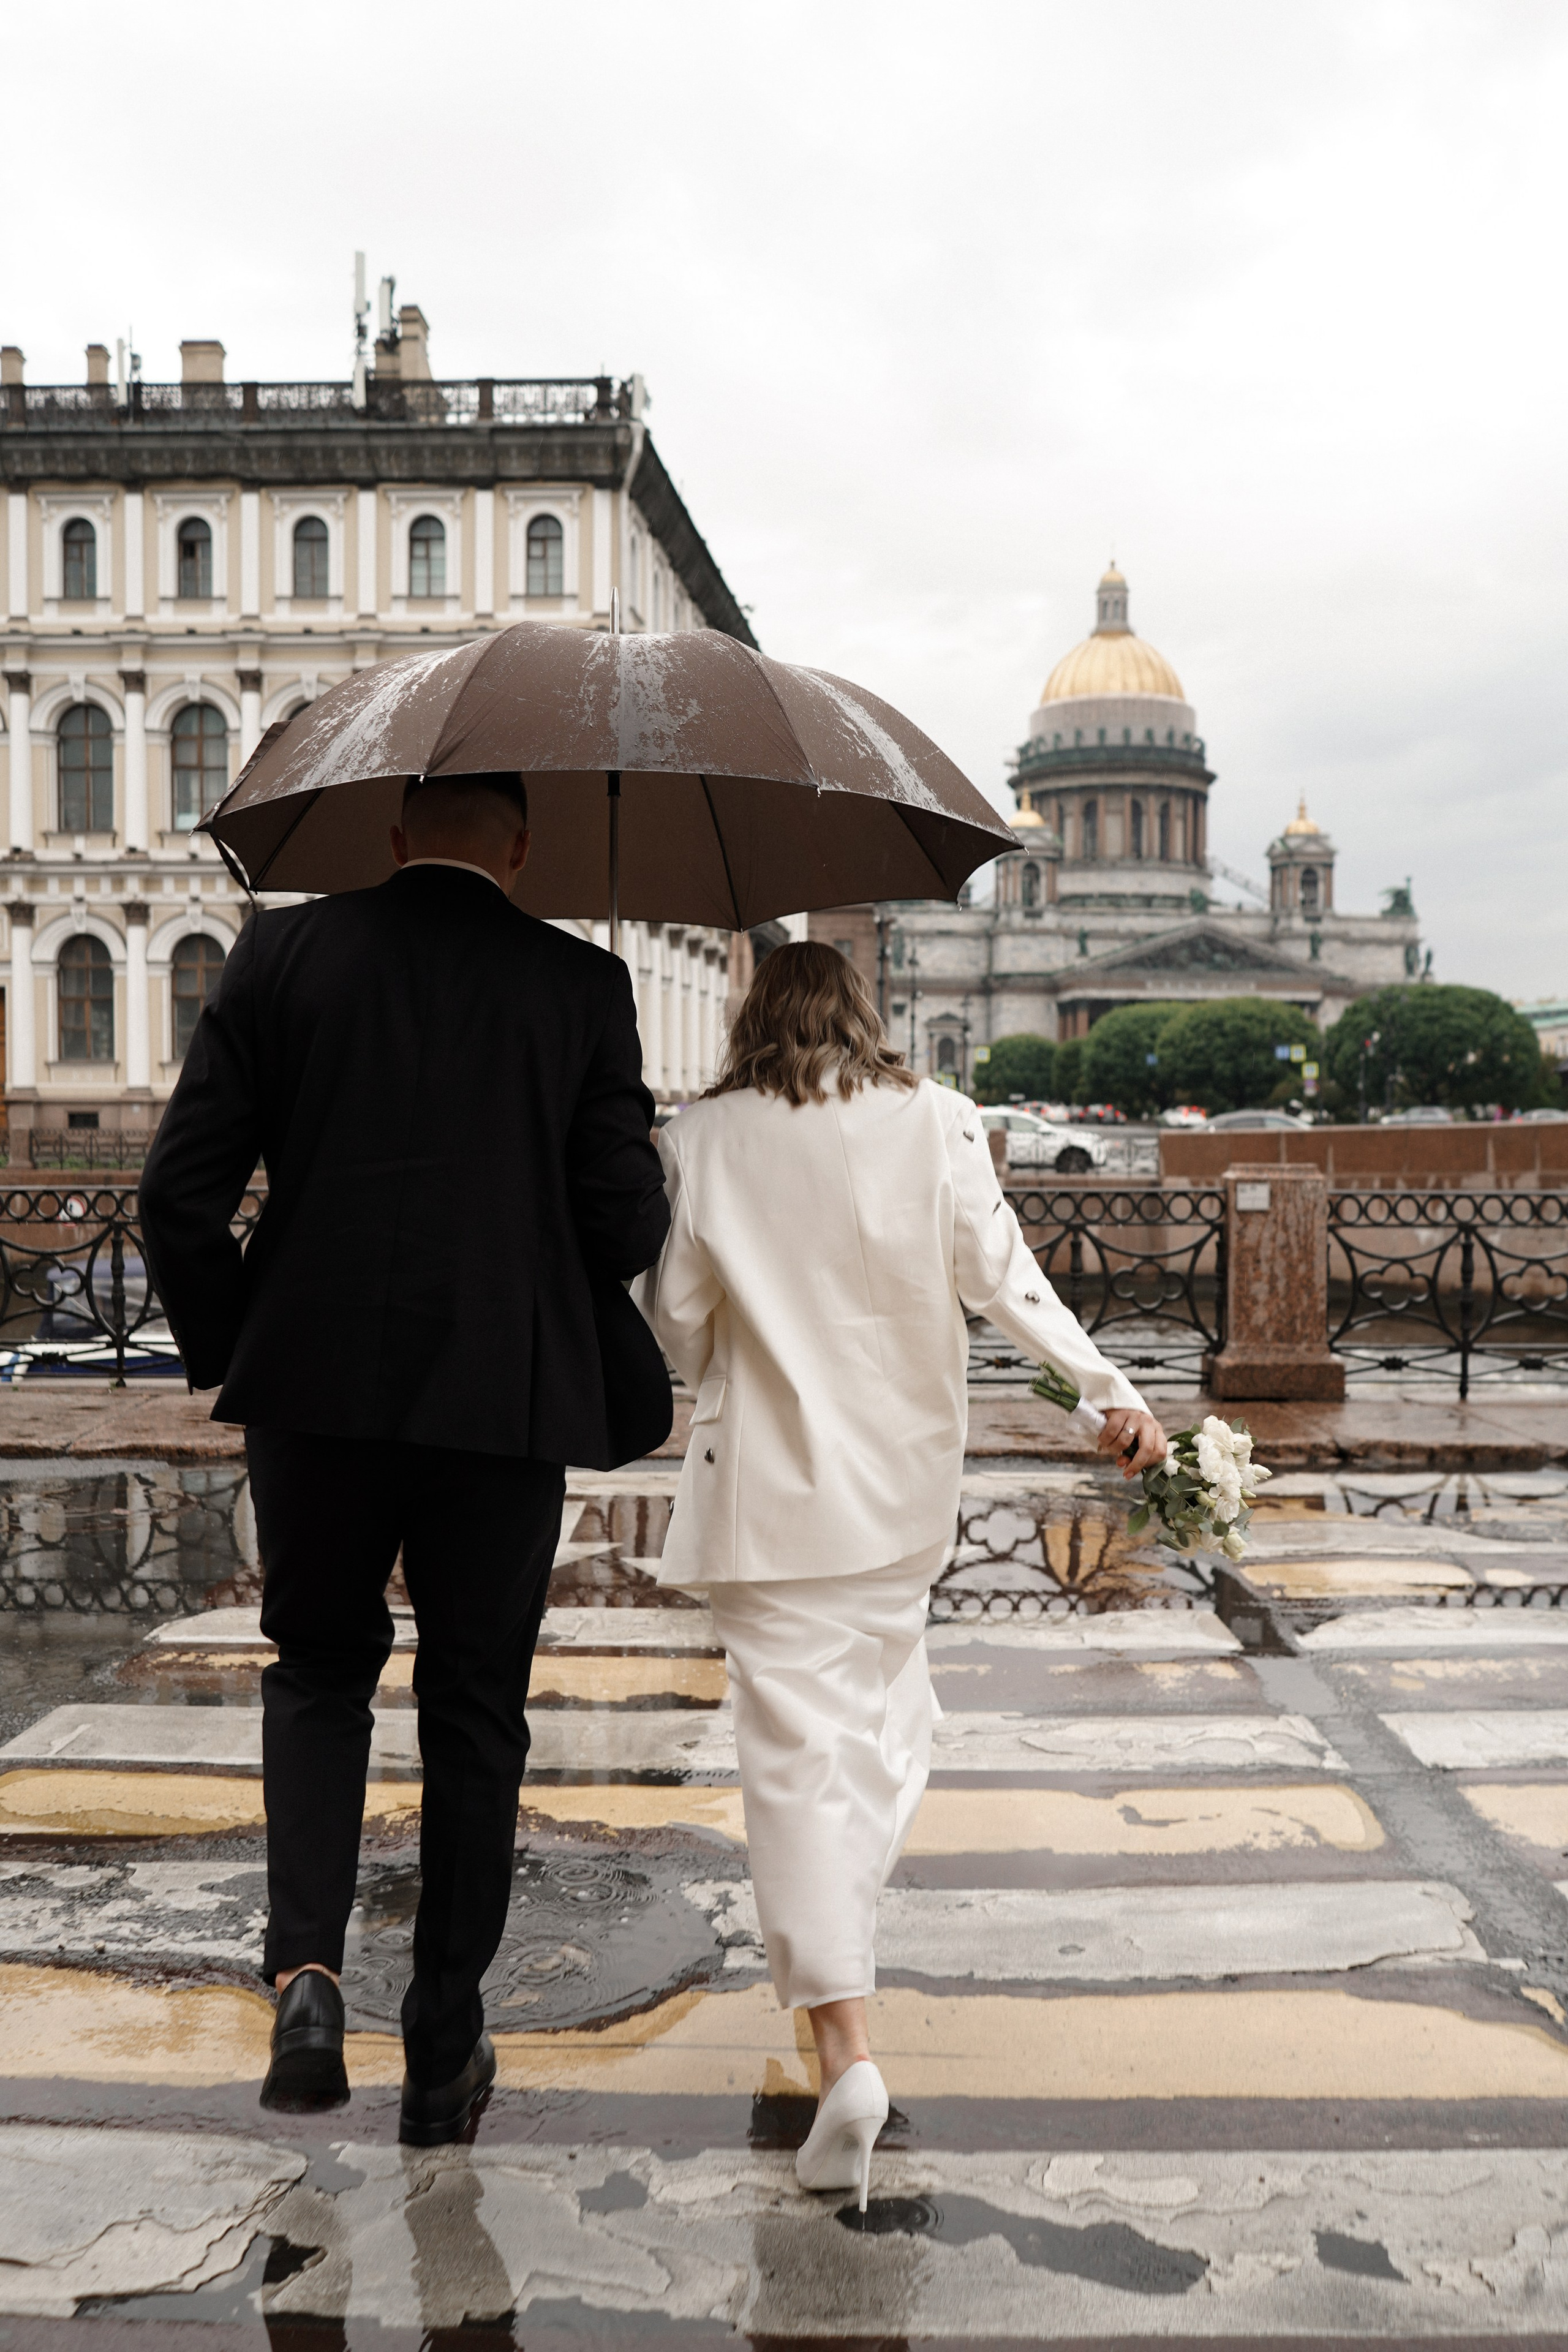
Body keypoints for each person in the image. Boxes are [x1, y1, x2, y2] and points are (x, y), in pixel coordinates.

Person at [138, 773, 671, 2144]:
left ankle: (309, 1969)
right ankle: (442, 2034)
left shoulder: (285, 951)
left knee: (316, 1671)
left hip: (311, 1389)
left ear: (390, 838)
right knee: (474, 1708)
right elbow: (622, 1219)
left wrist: (239, 1344)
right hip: (500, 1401)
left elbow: (177, 1196)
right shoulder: (579, 983)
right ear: (520, 847)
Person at [634, 941, 1164, 2211]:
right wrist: (1111, 1394)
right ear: (863, 1015)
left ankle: (846, 2051)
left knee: (794, 1766)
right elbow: (1006, 1285)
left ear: (751, 1017)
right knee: (884, 1736)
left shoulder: (698, 1141)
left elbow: (678, 1324)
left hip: (767, 1499)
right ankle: (842, 2004)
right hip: (898, 1494)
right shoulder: (938, 1121)